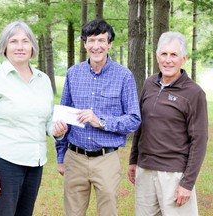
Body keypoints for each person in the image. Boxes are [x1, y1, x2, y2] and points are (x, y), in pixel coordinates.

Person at [0, 21, 68, 216]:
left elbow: (47, 120)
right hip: (5, 164)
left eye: (25, 41)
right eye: (13, 41)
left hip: (35, 163)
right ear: (4, 47)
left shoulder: (43, 79)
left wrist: (56, 131)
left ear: (32, 46)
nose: (20, 46)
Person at [55, 19, 141, 216]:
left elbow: (134, 119)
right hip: (74, 158)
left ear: (109, 44)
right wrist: (61, 157)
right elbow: (62, 119)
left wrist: (100, 121)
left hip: (106, 159)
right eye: (91, 40)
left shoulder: (124, 76)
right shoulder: (73, 74)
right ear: (85, 44)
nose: (96, 46)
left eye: (102, 40)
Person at [128, 31, 208, 216]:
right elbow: (141, 126)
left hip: (174, 174)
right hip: (146, 170)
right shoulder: (149, 84)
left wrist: (187, 183)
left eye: (174, 55)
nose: (168, 60)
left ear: (184, 58)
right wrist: (133, 160)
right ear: (157, 57)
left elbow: (199, 141)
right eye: (164, 54)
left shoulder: (194, 93)